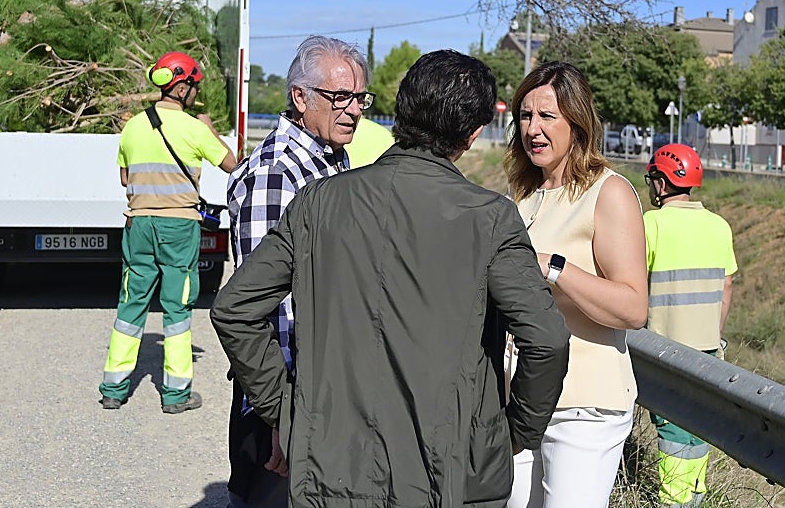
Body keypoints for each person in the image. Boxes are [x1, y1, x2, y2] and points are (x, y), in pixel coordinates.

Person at [213, 49, 570, 508]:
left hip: (331, 467)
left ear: (400, 112)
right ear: (474, 134)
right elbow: (547, 339)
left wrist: (287, 411)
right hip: (451, 472)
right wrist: (511, 433)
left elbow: (235, 309)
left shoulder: (319, 201)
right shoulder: (490, 218)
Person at [224, 35, 373, 508]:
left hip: (317, 396)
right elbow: (265, 310)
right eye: (340, 97)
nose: (354, 110)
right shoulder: (277, 174)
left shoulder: (330, 159)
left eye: (360, 98)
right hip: (284, 403)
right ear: (300, 98)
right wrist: (280, 417)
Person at [504, 61, 649, 508]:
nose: (533, 129)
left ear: (577, 122)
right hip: (520, 400)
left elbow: (633, 309)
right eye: (526, 116)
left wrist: (554, 268)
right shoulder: (524, 194)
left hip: (584, 408)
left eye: (547, 116)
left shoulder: (609, 192)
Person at [99, 51, 238, 413]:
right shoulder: (194, 128)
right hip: (179, 227)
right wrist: (209, 129)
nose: (196, 93)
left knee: (131, 303)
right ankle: (176, 395)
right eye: (194, 86)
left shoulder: (133, 126)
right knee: (177, 308)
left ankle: (113, 390)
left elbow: (125, 178)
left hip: (138, 224)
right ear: (182, 87)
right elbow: (233, 164)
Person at [642, 143, 737, 508]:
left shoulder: (652, 224)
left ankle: (676, 501)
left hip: (666, 350)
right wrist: (713, 332)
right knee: (698, 429)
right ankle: (694, 497)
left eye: (653, 178)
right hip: (709, 349)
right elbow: (727, 285)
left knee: (673, 431)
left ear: (662, 183)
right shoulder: (719, 226)